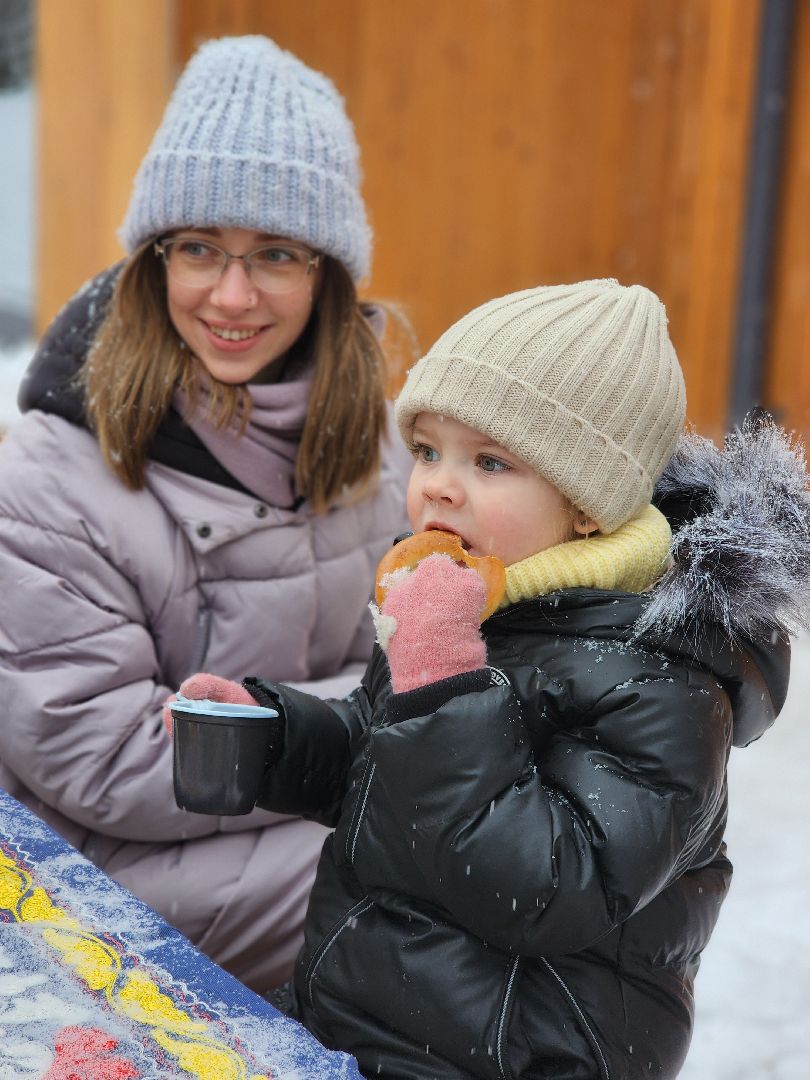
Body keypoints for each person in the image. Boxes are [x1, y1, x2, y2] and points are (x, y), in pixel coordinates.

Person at [169, 279, 810, 1079]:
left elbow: (549, 888)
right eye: (429, 450)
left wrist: (440, 684)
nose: (438, 482)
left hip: (512, 1055)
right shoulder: (477, 604)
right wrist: (280, 738)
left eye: (491, 460)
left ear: (586, 505)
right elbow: (393, 769)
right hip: (360, 1021)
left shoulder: (661, 684)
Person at [0, 35, 412, 994]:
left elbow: (413, 656)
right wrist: (379, 751)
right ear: (155, 261)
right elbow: (105, 757)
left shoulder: (377, 444)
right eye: (198, 251)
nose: (231, 297)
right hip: (83, 883)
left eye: (273, 253)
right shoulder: (51, 475)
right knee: (432, 895)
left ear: (326, 274)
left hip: (282, 813)